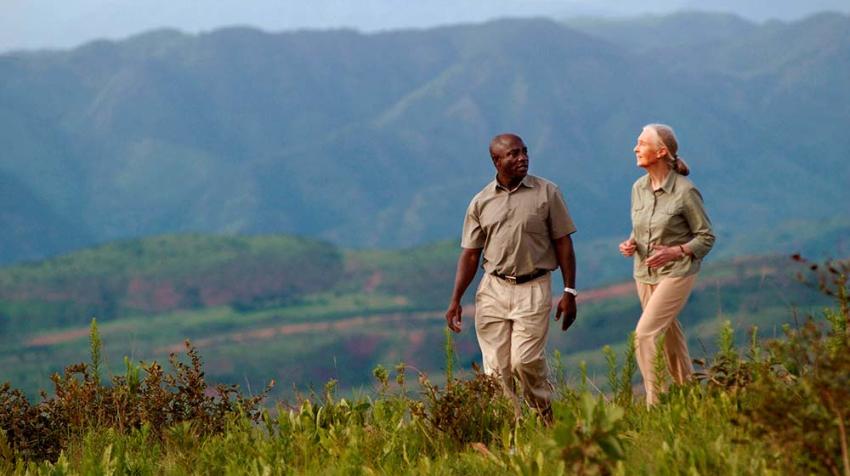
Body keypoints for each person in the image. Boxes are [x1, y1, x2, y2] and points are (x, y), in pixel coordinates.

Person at [445, 133, 578, 420]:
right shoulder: (481, 202)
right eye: (514, 154)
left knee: (524, 361)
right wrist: (456, 299)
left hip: (534, 286)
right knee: (496, 371)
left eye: (525, 152)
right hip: (493, 288)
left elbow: (564, 243)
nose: (523, 158)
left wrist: (570, 292)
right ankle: (513, 435)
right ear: (496, 161)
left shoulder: (547, 192)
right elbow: (470, 255)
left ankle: (546, 415)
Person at [618, 123, 715, 406]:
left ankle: (655, 403)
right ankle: (690, 395)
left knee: (645, 334)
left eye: (641, 143)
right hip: (644, 272)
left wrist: (676, 251)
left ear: (661, 152)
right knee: (669, 334)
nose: (635, 148)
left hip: (677, 272)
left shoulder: (685, 192)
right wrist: (631, 242)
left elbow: (706, 238)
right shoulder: (638, 188)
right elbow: (643, 228)